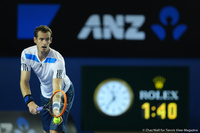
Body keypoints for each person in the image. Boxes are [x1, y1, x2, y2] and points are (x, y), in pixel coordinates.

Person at [20, 25, 75, 133]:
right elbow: (24, 81)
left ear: (51, 40)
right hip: (45, 95)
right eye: (41, 39)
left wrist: (55, 109)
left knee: (54, 131)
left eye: (47, 39)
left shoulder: (57, 60)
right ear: (35, 40)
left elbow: (57, 89)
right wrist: (29, 102)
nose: (44, 43)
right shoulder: (26, 54)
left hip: (63, 93)